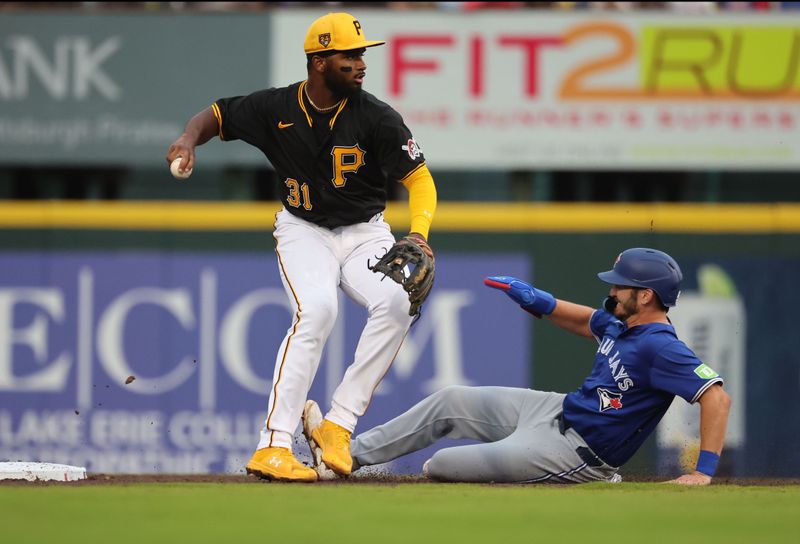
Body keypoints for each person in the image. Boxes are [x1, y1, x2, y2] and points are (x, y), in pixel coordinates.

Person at [165, 12, 437, 482]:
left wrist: (419, 233)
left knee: (397, 302)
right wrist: (188, 139)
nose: (360, 63)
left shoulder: (376, 116)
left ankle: (338, 425)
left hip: (365, 232)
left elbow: (420, 180)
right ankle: (273, 445)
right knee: (317, 311)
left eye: (362, 54)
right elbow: (216, 115)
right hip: (303, 230)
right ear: (319, 62)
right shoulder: (276, 107)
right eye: (349, 55)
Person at [304, 248, 731, 484]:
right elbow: (587, 320)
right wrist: (538, 300)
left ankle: (598, 483)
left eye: (621, 285)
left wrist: (703, 473)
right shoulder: (623, 323)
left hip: (580, 453)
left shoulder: (662, 347)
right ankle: (339, 458)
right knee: (449, 401)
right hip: (555, 410)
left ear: (647, 296)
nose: (613, 290)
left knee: (445, 467)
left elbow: (716, 397)